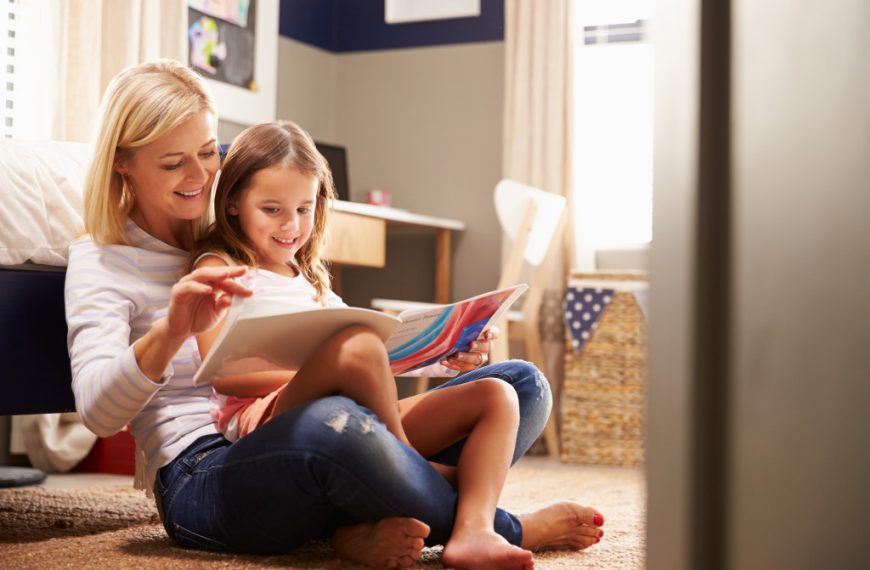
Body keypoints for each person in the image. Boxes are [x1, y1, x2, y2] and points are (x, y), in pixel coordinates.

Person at [65, 59, 605, 569]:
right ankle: (499, 526)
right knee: (334, 426)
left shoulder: (253, 226)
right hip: (203, 471)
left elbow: (352, 345)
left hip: (321, 424)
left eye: (209, 153)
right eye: (172, 161)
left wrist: (438, 353)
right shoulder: (106, 259)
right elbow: (99, 414)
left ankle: (358, 525)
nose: (200, 176)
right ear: (123, 162)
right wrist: (171, 329)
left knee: (519, 385)